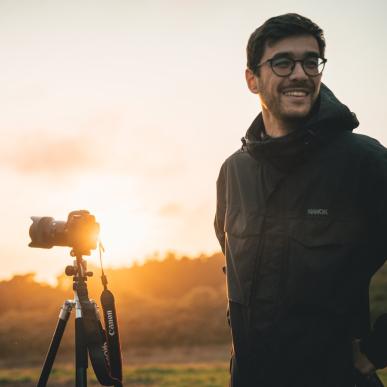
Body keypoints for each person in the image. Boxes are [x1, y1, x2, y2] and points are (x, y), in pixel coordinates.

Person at [214, 13, 387, 387]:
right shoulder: (233, 172)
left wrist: (377, 349)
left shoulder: (366, 163)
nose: (300, 73)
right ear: (252, 79)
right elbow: (236, 277)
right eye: (283, 62)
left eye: (311, 62)